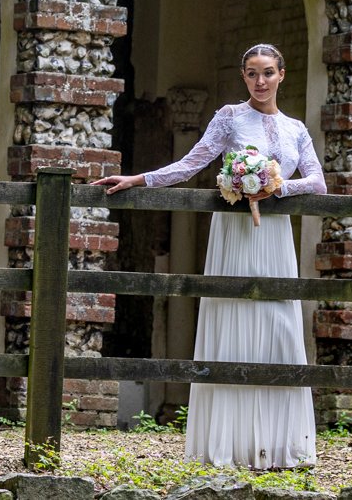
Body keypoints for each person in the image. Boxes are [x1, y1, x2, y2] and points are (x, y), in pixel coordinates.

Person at [94, 43, 325, 470]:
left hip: (274, 235)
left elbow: (317, 183)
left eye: (268, 73)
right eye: (253, 73)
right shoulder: (229, 118)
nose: (261, 81)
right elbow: (191, 163)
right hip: (235, 234)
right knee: (234, 317)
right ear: (243, 77)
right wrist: (139, 179)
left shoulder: (295, 129)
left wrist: (275, 187)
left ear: (282, 75)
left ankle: (279, 446)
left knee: (277, 326)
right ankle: (230, 444)